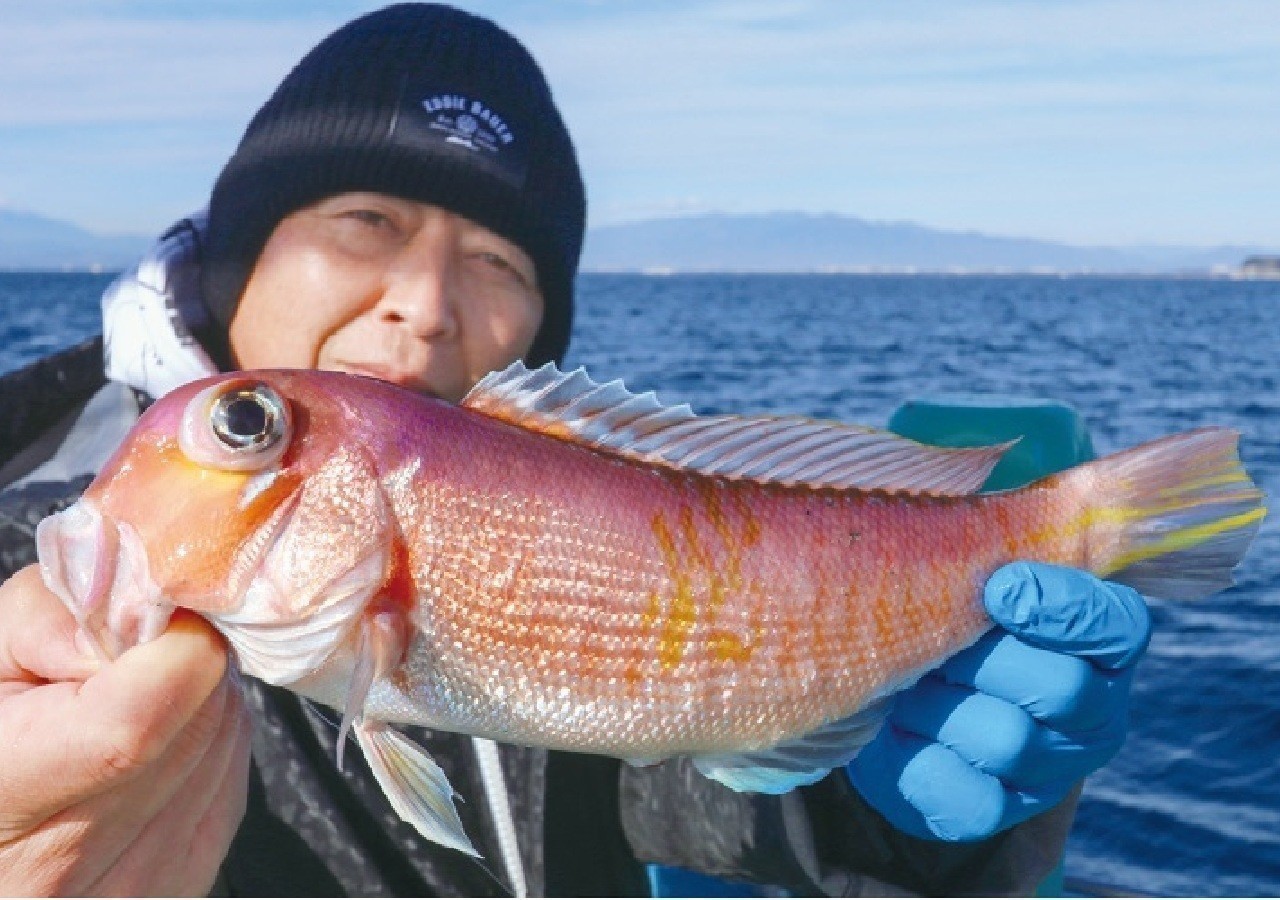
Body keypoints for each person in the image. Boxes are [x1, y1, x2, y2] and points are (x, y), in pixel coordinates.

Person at [0, 4, 1152, 895]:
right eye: (367, 222)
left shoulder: (573, 502)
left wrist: (892, 823)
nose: (425, 303)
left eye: (500, 262)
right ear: (241, 256)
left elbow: (690, 785)